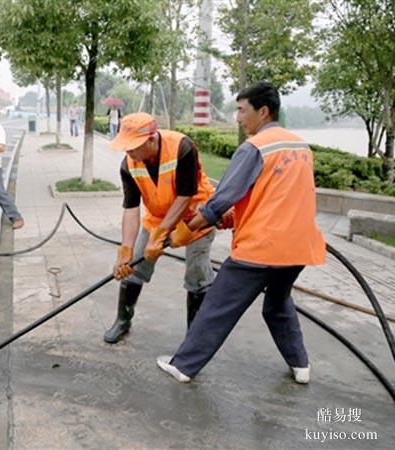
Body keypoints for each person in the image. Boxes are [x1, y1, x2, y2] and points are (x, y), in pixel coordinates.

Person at [156, 81, 326, 385]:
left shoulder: (255, 148)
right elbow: (278, 196)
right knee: (277, 303)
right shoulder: (301, 146)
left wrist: (187, 229)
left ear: (263, 111)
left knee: (217, 306)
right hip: (300, 246)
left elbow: (222, 198)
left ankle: (183, 365)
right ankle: (301, 366)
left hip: (262, 248)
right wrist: (234, 219)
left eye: (241, 110)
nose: (237, 117)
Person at [104, 112, 216, 344]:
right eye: (126, 147)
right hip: (157, 217)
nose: (129, 152)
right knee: (134, 264)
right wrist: (125, 249)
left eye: (133, 147)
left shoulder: (182, 148)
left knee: (197, 273)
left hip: (195, 215)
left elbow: (186, 195)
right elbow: (131, 208)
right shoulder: (129, 164)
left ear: (151, 139)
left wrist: (162, 235)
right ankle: (123, 320)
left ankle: (194, 337)